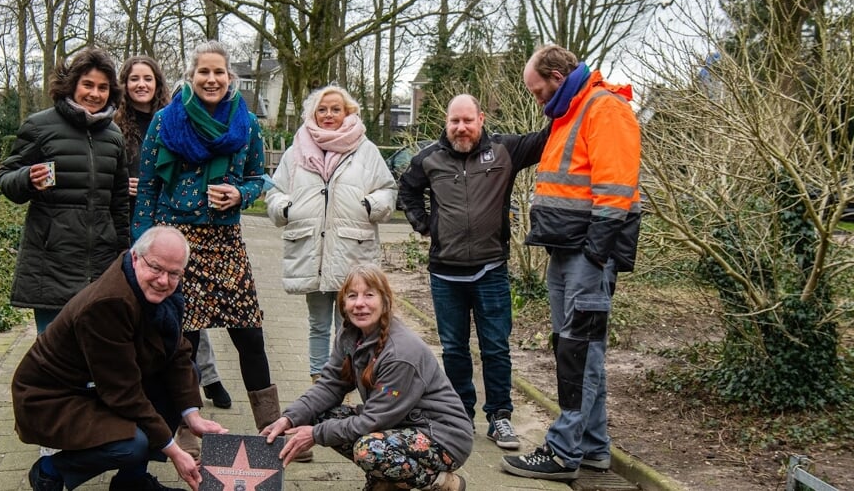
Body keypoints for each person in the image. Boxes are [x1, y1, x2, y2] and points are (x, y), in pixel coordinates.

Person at [132, 40, 296, 452]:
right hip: (175, 242)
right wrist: (141, 247)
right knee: (181, 339)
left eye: (218, 72)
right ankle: (186, 426)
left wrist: (241, 194)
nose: (211, 79)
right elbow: (148, 186)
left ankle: (271, 426)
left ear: (230, 78)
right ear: (191, 76)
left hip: (225, 243)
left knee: (249, 333)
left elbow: (261, 177)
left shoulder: (246, 123)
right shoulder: (166, 121)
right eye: (203, 72)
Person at [501, 45, 641, 481]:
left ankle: (563, 452)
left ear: (558, 78)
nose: (537, 99)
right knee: (576, 349)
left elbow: (616, 190)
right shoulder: (571, 111)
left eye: (538, 90)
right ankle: (594, 448)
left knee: (580, 352)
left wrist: (596, 253)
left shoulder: (604, 109)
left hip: (586, 253)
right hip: (568, 249)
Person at [12, 225, 228, 491]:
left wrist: (192, 416)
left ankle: (131, 482)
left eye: (174, 273)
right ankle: (49, 471)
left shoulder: (154, 285)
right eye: (156, 269)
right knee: (132, 444)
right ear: (136, 258)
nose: (164, 280)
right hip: (51, 397)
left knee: (186, 373)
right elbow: (123, 393)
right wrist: (173, 451)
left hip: (96, 385)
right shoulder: (108, 303)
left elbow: (176, 352)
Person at [397, 94, 548, 451]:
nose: (461, 128)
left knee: (496, 348)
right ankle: (461, 415)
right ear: (446, 122)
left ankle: (500, 417)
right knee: (454, 348)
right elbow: (407, 189)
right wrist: (422, 224)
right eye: (455, 121)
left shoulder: (505, 151)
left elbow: (546, 138)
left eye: (468, 120)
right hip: (445, 275)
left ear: (480, 119)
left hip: (490, 270)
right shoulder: (428, 159)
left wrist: (568, 96)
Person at [261, 264, 473, 491]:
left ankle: (442, 483)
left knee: (369, 450)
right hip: (398, 423)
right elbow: (330, 385)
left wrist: (315, 435)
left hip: (442, 436)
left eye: (369, 295)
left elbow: (375, 420)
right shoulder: (350, 334)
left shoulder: (401, 353)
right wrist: (290, 418)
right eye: (352, 296)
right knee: (321, 415)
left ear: (385, 302)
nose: (359, 303)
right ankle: (387, 481)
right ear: (343, 303)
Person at [115, 56, 232, 433]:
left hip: (173, 232)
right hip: (142, 223)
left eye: (147, 78)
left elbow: (253, 175)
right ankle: (157, 405)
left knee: (187, 324)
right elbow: (140, 177)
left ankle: (199, 391)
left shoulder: (171, 115)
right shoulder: (119, 123)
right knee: (163, 322)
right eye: (133, 78)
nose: (140, 85)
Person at [265, 85, 397, 381]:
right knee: (318, 323)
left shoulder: (365, 150)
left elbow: (388, 190)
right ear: (313, 113)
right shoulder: (296, 150)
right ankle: (318, 381)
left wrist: (369, 205)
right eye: (322, 110)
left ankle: (347, 378)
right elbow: (274, 192)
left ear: (348, 112)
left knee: (349, 323)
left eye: (335, 109)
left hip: (351, 249)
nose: (328, 115)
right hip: (310, 250)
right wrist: (285, 209)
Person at [0, 47, 129, 333]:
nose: (95, 94)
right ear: (72, 85)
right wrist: (27, 178)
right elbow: (6, 178)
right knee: (53, 355)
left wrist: (123, 253)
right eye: (88, 85)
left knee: (95, 351)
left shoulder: (114, 136)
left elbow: (118, 203)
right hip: (51, 260)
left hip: (100, 263)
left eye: (103, 87)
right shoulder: (39, 126)